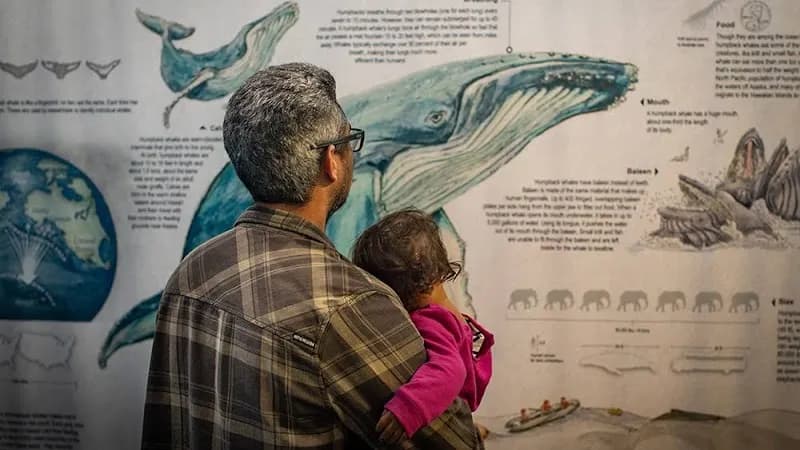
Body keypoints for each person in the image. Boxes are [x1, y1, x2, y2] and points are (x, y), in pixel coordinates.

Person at [140, 63, 483, 449]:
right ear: (331, 161)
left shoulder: (192, 271)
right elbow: (456, 442)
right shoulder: (350, 302)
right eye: (350, 141)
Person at [351, 209, 494, 445]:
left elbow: (450, 370)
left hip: (448, 399)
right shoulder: (442, 303)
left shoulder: (428, 319)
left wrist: (408, 409)